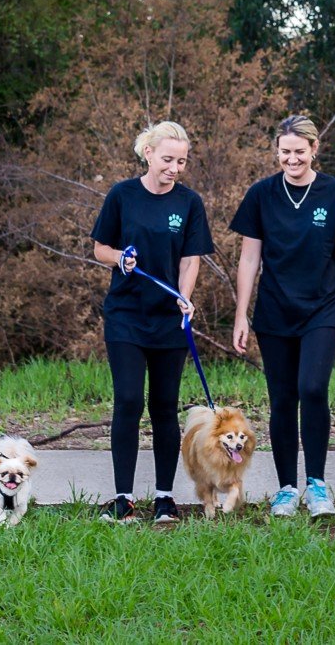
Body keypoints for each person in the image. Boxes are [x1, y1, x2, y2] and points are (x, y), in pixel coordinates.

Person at [231, 114, 335, 518]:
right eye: (285, 152)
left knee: (312, 389)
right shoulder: (261, 194)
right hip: (274, 311)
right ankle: (287, 487)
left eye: (299, 152)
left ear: (314, 149)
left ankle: (317, 485)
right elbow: (249, 258)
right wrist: (241, 315)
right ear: (277, 152)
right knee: (282, 399)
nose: (292, 159)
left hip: (322, 308)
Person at [90, 121, 214, 524]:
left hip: (168, 320)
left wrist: (184, 297)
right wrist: (118, 258)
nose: (175, 168)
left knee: (165, 406)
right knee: (128, 401)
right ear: (148, 153)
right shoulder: (122, 195)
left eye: (181, 161)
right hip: (125, 315)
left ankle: (164, 498)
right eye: (167, 159)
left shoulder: (189, 203)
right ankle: (122, 498)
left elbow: (190, 258)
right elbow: (99, 248)